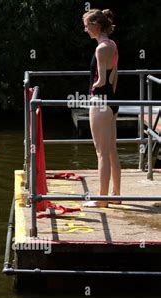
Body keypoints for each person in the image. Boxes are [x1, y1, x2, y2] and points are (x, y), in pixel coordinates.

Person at [82, 9, 121, 208]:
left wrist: (91, 91)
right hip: (112, 101)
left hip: (99, 101)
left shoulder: (100, 49)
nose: (85, 29)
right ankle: (115, 194)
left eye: (87, 25)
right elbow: (114, 78)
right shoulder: (112, 44)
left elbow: (101, 80)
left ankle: (102, 199)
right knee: (111, 150)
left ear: (96, 25)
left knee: (101, 153)